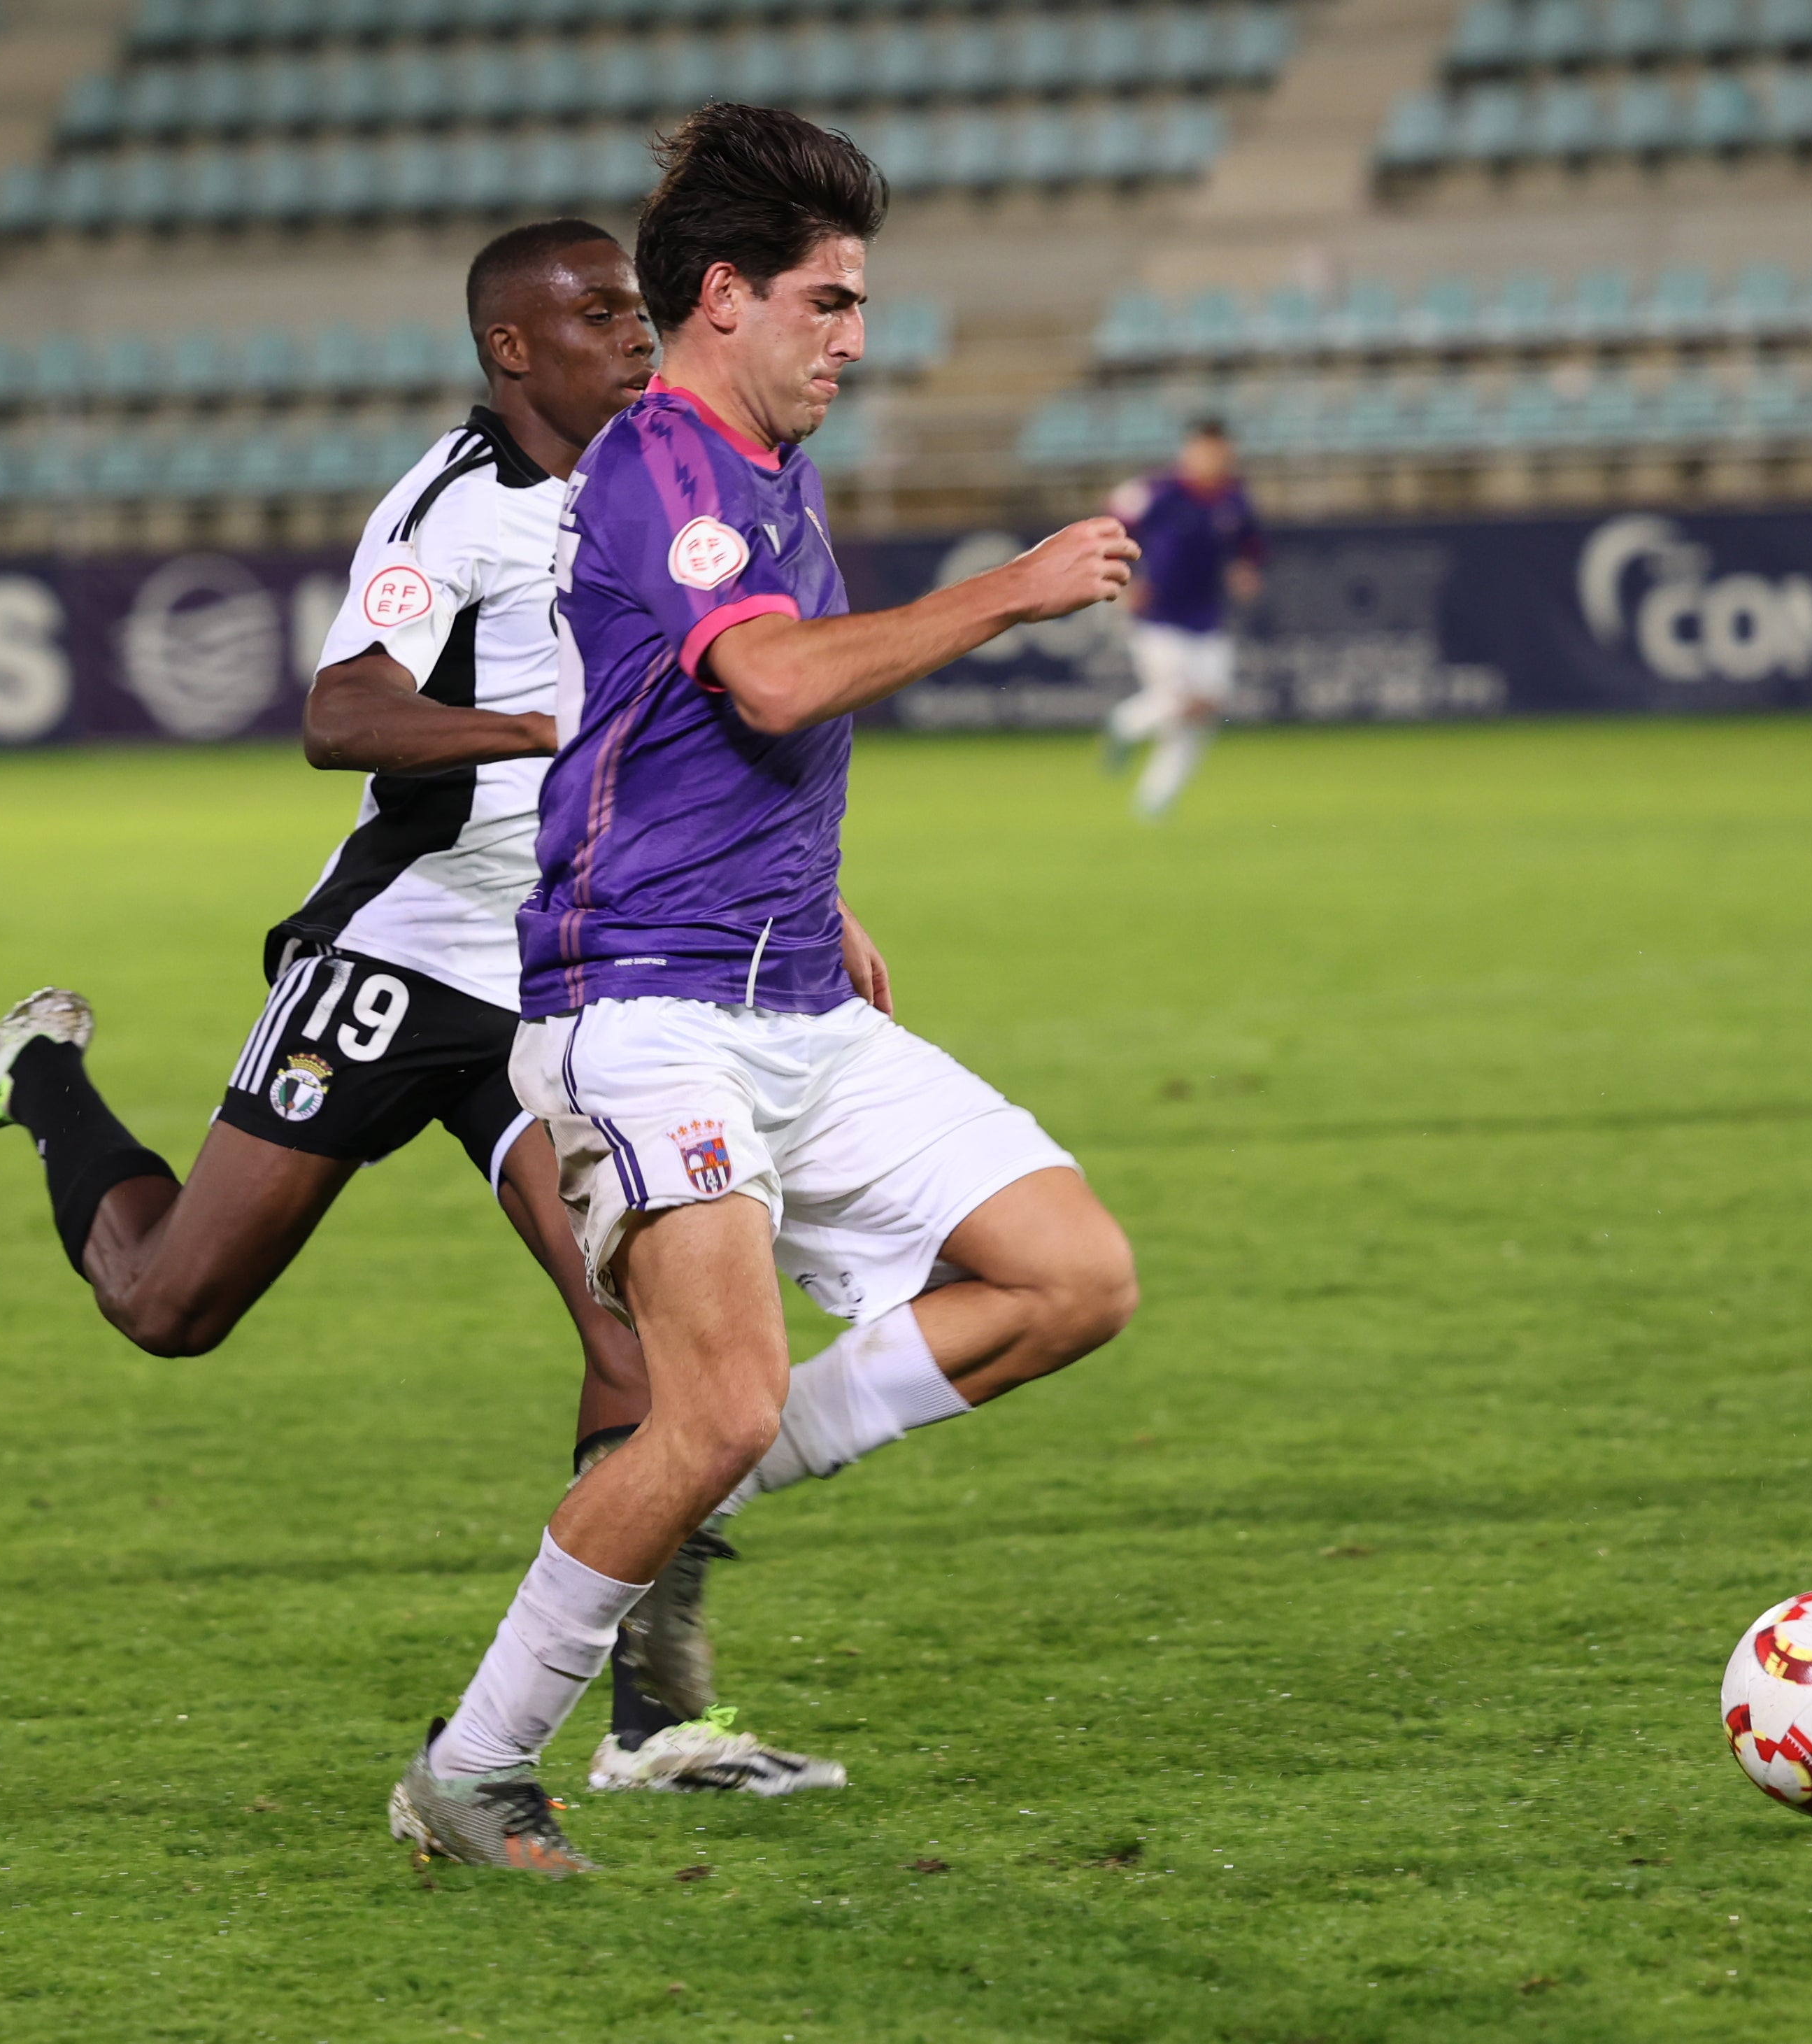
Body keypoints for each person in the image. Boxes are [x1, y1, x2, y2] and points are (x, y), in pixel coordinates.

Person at [0, 218, 871, 1799]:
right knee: (172, 1307)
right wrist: (532, 725)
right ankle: (42, 1077)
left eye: (640, 307)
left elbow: (704, 730)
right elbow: (343, 713)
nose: (636, 331)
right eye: (599, 313)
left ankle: (654, 1722)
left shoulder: (660, 480)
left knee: (641, 1338)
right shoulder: (450, 505)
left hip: (560, 964)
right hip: (397, 955)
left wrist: (812, 902)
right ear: (512, 350)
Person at [383, 102, 1143, 1878]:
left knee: (1072, 1275)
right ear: (723, 296)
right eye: (829, 299)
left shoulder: (766, 471)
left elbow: (696, 727)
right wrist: (1009, 590)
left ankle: (672, 1477)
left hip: (795, 991)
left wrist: (824, 888)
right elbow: (780, 687)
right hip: (643, 1006)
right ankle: (479, 1767)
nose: (854, 339)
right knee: (713, 1403)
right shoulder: (657, 463)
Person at [1100, 418, 1265, 820]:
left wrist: (1247, 569)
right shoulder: (1159, 492)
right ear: (1189, 450)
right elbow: (1109, 525)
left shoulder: (1233, 499)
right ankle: (1124, 724)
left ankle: (1154, 803)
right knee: (1180, 701)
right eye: (1203, 448)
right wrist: (1124, 582)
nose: (1211, 457)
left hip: (1207, 618)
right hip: (1158, 617)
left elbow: (1252, 546)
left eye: (1218, 449)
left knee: (1208, 708)